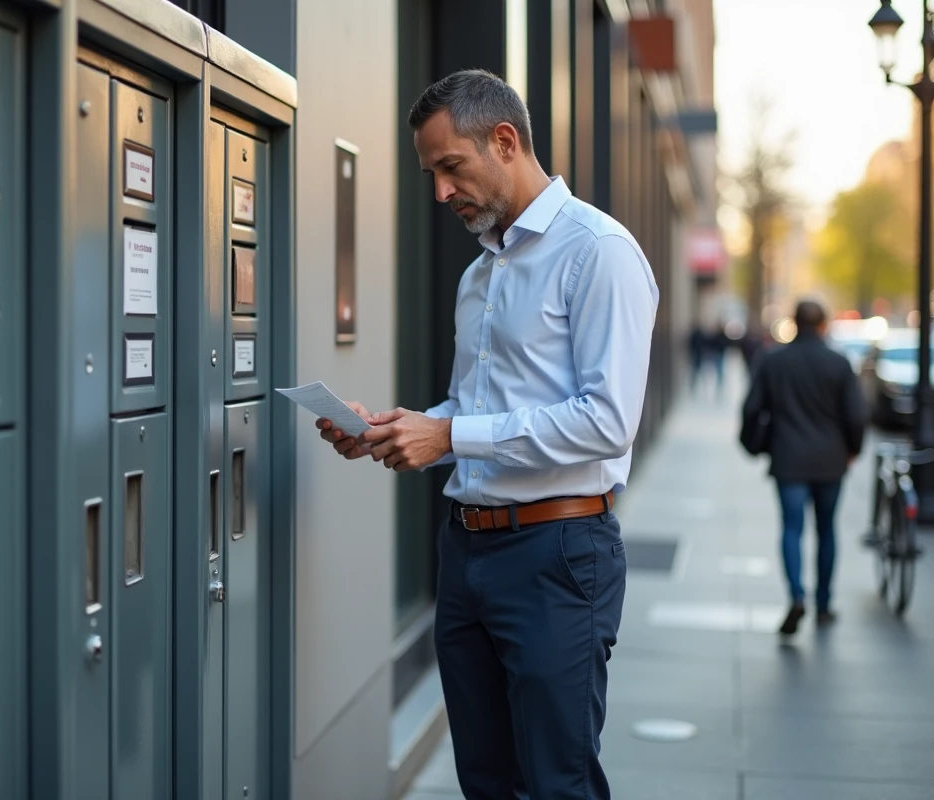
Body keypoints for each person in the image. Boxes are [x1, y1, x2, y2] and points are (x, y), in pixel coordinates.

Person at [313, 69, 658, 800]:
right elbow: (475, 406)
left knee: (557, 784)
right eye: (431, 173)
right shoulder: (481, 275)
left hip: (557, 554)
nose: (440, 192)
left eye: (450, 167)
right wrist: (395, 429)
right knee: (487, 783)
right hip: (465, 552)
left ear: (504, 141)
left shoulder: (599, 252)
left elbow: (606, 420)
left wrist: (450, 438)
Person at [740, 300, 868, 635]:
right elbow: (856, 415)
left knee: (791, 528)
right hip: (830, 460)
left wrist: (753, 444)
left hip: (788, 458)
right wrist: (854, 449)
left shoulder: (773, 360)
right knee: (826, 529)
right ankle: (823, 604)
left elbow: (752, 407)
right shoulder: (839, 363)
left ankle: (797, 595)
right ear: (823, 324)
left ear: (795, 323)